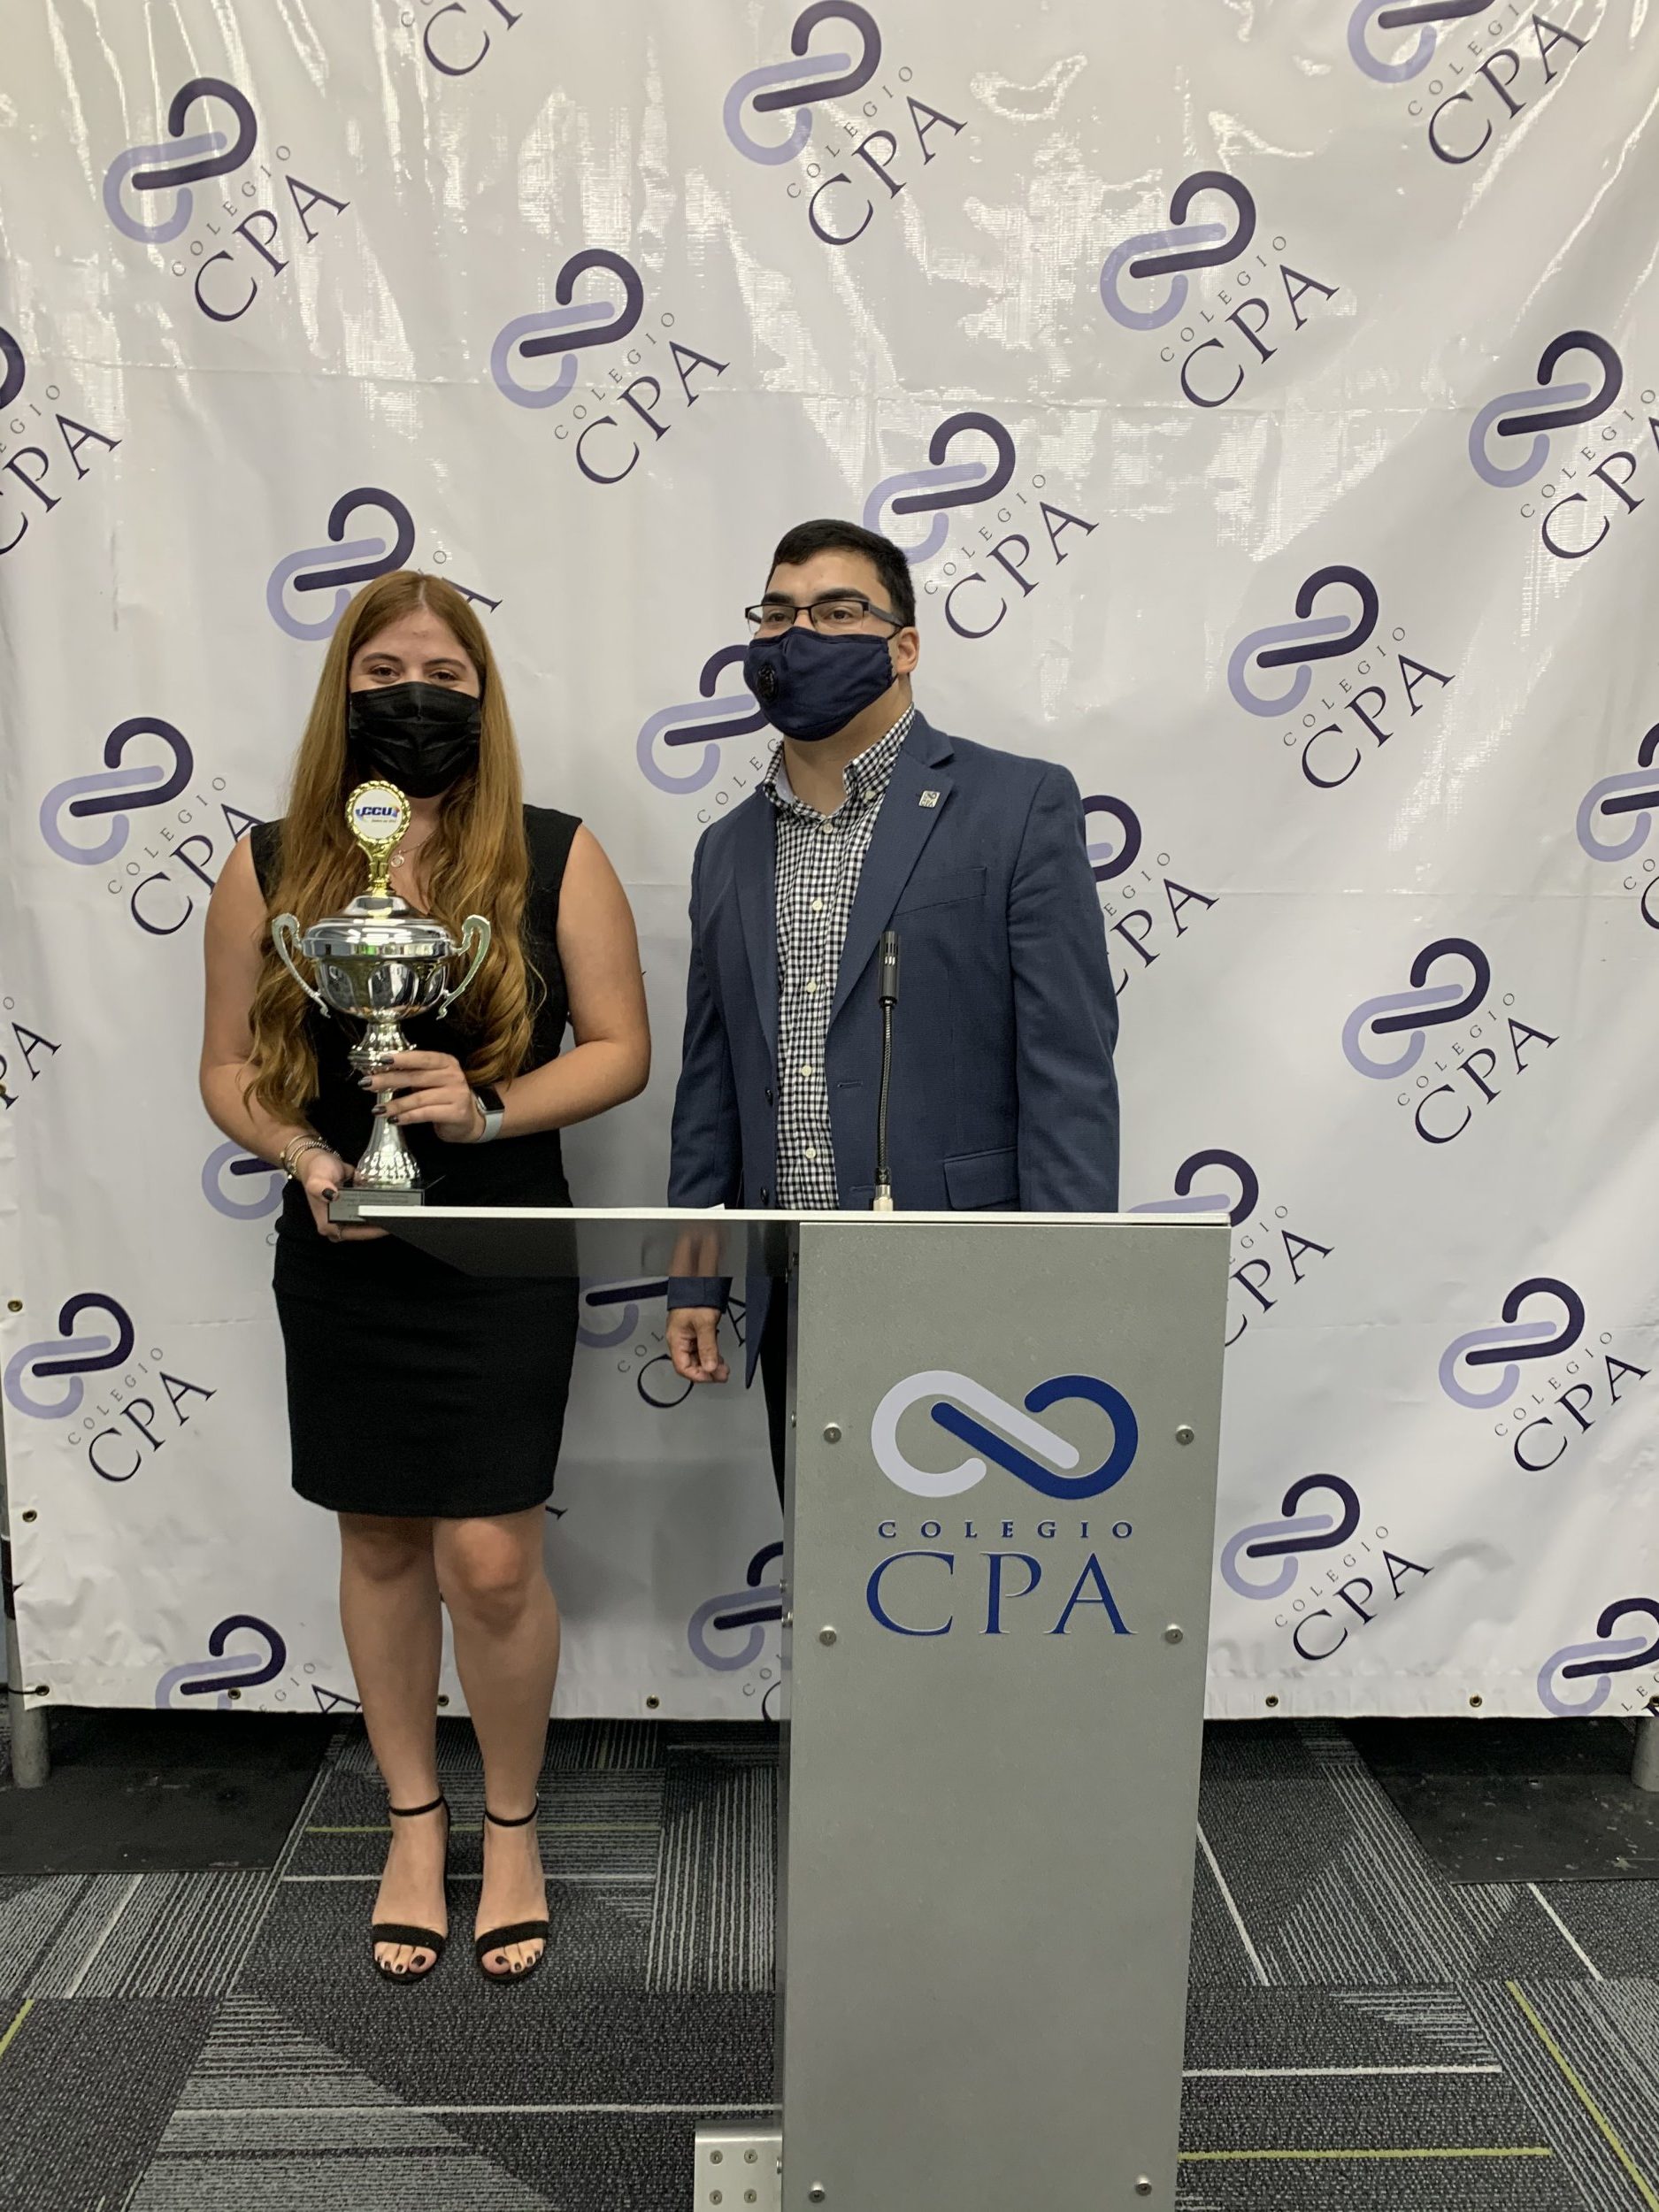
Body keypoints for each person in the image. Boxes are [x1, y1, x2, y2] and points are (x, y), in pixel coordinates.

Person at [201, 571, 649, 1983]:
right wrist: (298, 1149)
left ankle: (510, 1827)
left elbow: (620, 1049)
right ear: (342, 693)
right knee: (382, 1542)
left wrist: (489, 1106)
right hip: (343, 1248)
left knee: (490, 1558)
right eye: (384, 673)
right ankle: (413, 1821)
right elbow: (226, 1067)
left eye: (444, 677)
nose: (414, 697)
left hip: (502, 1250)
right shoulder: (272, 863)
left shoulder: (556, 852)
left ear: (484, 696)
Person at [664, 517, 1118, 1495]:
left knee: (966, 1573)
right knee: (821, 1566)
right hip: (794, 1295)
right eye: (777, 614)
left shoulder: (1017, 804)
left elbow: (1068, 1069)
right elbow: (711, 1083)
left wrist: (1072, 1287)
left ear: (903, 647)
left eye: (836, 613)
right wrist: (696, 1273)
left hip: (971, 1285)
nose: (798, 636)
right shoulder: (725, 849)